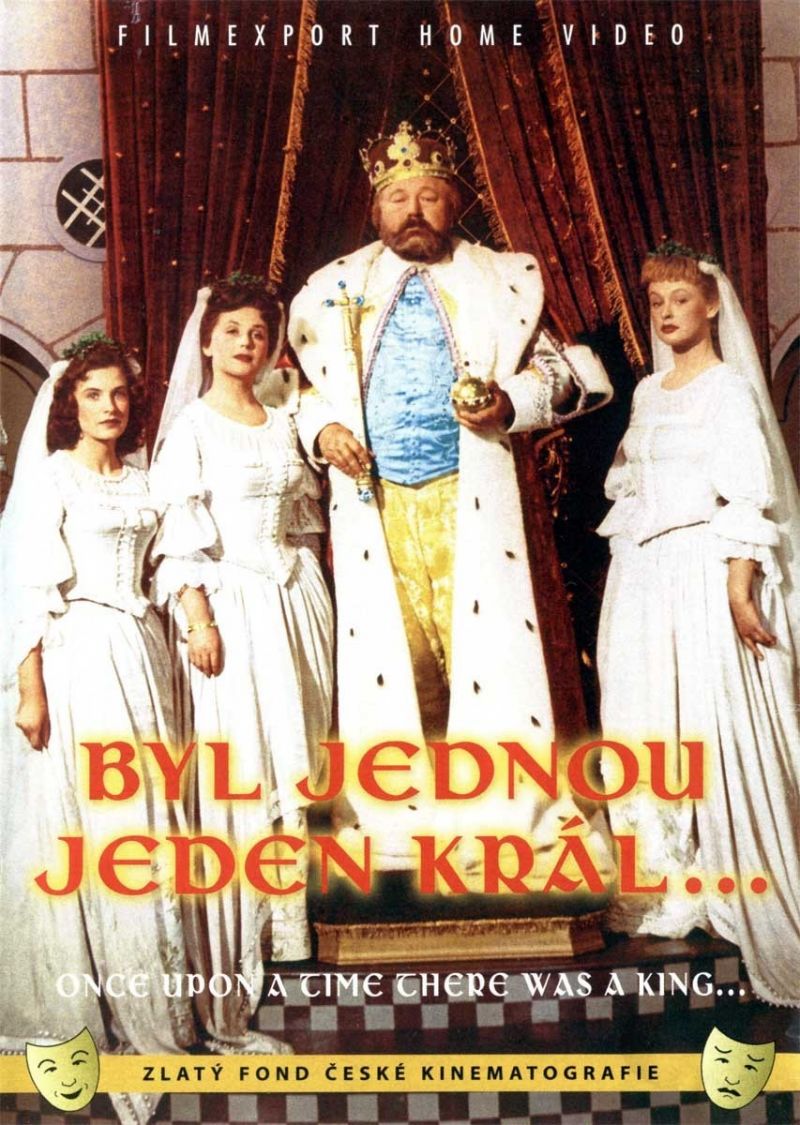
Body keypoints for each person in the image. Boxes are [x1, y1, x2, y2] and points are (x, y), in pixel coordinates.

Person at [288, 119, 615, 868]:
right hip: (375, 502)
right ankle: (403, 820)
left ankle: (495, 812)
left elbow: (567, 370)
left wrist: (510, 403)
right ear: (375, 208)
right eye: (397, 197)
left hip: (472, 494)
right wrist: (323, 429)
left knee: (482, 650)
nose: (413, 210)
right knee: (399, 657)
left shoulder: (502, 280)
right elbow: (293, 389)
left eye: (429, 195)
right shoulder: (330, 290)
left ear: (456, 201)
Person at [596, 245, 800, 1007]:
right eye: (657, 302)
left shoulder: (729, 390)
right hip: (642, 572)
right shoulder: (648, 391)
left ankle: (720, 881)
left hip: (700, 568)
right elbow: (630, 483)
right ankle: (667, 879)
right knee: (641, 715)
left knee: (701, 724)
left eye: (681, 298)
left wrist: (741, 590)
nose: (667, 313)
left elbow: (747, 496)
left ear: (711, 305)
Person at [0, 336, 195, 1122]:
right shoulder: (52, 479)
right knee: (85, 824)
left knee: (140, 821)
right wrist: (31, 690)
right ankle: (83, 1014)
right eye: (93, 394)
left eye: (119, 393)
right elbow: (24, 588)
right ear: (69, 404)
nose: (109, 407)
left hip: (140, 653)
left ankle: (147, 1007)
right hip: (77, 655)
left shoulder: (144, 482)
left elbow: (172, 566)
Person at [151, 275, 333, 1052]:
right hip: (230, 609)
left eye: (258, 333)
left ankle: (296, 929)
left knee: (298, 758)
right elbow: (178, 535)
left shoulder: (284, 418)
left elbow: (303, 517)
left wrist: (309, 589)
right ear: (207, 339)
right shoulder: (193, 428)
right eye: (232, 331)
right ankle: (250, 937)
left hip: (294, 601)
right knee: (248, 761)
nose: (246, 344)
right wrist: (199, 619)